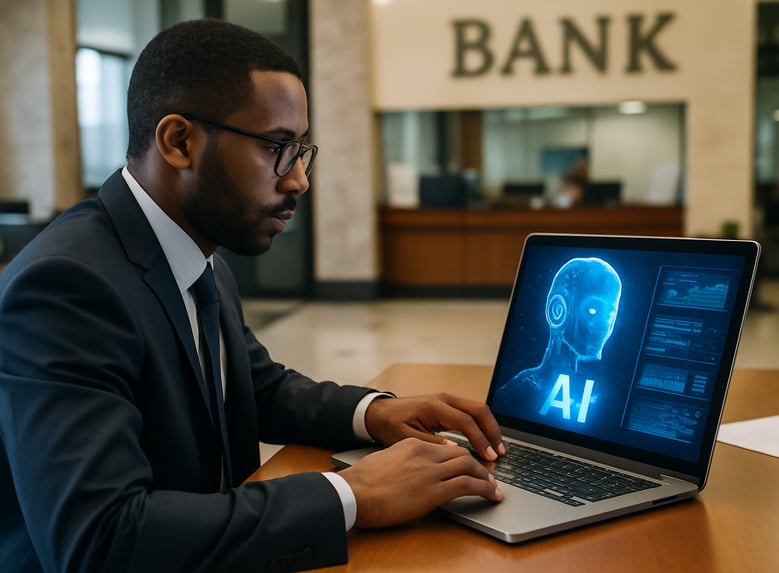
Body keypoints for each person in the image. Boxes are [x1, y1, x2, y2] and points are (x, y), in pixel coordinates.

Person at [0, 19, 505, 573]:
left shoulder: (198, 253)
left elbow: (252, 387)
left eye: (301, 150)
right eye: (276, 148)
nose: (298, 181)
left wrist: (375, 412)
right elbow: (99, 540)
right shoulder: (67, 286)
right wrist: (352, 495)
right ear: (179, 142)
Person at [494, 258, 621, 420]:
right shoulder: (526, 387)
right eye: (592, 311)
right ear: (558, 309)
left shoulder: (598, 394)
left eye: (610, 315)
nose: (604, 325)